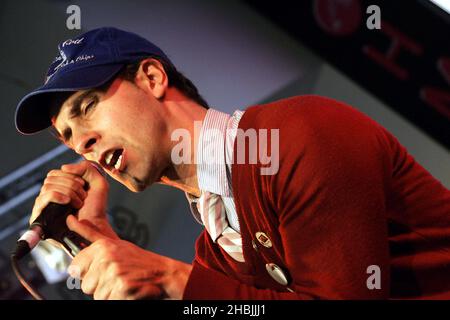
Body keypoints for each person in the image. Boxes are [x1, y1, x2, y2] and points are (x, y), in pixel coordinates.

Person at [15, 27, 450, 300]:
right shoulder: (219, 252)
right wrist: (93, 242)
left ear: (152, 78)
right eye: (68, 138)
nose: (83, 144)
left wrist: (173, 280)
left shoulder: (294, 137)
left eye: (88, 106)